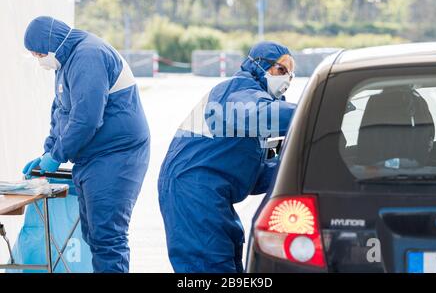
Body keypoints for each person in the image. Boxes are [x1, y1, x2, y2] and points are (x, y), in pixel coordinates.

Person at [22, 16, 150, 273]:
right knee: (92, 233)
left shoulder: (88, 56)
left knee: (107, 235)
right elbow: (61, 112)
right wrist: (48, 150)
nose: (39, 60)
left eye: (38, 54)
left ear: (51, 44)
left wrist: (56, 156)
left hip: (117, 155)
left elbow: (86, 120)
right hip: (95, 157)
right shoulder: (65, 62)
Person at [158, 41, 297, 273]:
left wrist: (291, 166)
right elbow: (260, 114)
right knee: (208, 266)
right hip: (192, 191)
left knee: (228, 262)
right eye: (281, 70)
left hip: (211, 194)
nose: (286, 80)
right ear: (258, 65)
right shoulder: (236, 92)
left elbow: (251, 175)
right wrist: (311, 110)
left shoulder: (254, 102)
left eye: (290, 76)